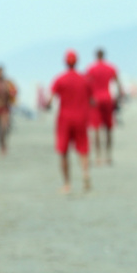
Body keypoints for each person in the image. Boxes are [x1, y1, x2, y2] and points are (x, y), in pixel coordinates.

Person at [45, 49, 93, 193]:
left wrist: (47, 106)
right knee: (83, 149)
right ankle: (85, 174)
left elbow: (49, 101)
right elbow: (92, 99)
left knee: (63, 151)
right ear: (77, 62)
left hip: (65, 119)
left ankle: (67, 184)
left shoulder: (59, 79)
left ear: (65, 62)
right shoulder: (85, 79)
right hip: (81, 118)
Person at [85, 48, 123, 165]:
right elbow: (119, 86)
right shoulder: (111, 68)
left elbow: (86, 85)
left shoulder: (91, 69)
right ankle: (109, 156)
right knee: (108, 129)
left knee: (96, 130)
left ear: (96, 56)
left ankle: (98, 157)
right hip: (107, 99)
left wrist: (89, 99)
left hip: (95, 101)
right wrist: (118, 99)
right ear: (104, 55)